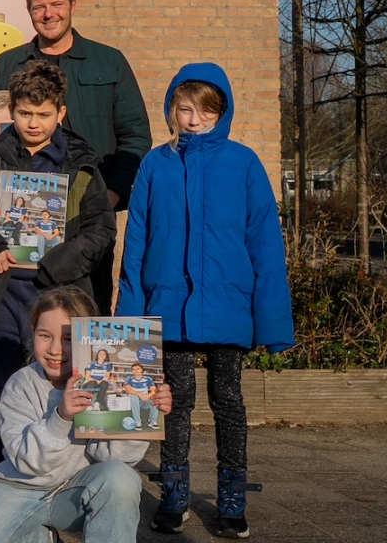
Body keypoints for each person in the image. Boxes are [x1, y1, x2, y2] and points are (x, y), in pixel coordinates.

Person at [117, 62, 294, 539]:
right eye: (185, 109)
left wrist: (272, 321)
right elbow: (136, 243)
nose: (193, 120)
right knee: (173, 403)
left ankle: (232, 499)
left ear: (223, 113)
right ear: (172, 108)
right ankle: (174, 495)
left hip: (227, 306)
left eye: (205, 112)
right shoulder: (156, 163)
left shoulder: (243, 163)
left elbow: (265, 245)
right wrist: (130, 320)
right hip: (169, 307)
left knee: (229, 401)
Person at [0, 61, 115, 471]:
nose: (32, 123)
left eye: (42, 114)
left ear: (61, 112)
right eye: (23, 113)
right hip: (1, 295)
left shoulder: (83, 166)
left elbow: (100, 230)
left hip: (57, 294)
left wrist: (57, 264)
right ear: (12, 109)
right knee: (1, 391)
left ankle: (62, 475)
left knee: (60, 391)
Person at [0, 0, 151, 314]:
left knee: (89, 305)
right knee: (22, 309)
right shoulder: (7, 64)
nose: (48, 14)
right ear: (29, 11)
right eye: (38, 7)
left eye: (56, 4)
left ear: (72, 5)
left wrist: (111, 193)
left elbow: (136, 136)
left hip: (88, 214)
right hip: (20, 213)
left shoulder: (109, 61)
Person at [0, 287, 171, 543]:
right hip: (18, 489)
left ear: (89, 341)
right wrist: (61, 417)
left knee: (122, 479)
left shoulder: (98, 385)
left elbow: (112, 457)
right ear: (32, 333)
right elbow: (27, 463)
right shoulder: (21, 384)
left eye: (68, 339)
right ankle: (38, 535)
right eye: (45, 335)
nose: (55, 349)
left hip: (74, 492)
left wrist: (143, 420)